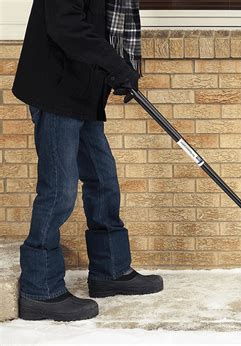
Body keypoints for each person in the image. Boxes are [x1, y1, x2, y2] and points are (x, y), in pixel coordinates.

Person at [12, 0, 163, 322]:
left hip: (84, 94)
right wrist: (116, 65)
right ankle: (40, 290)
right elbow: (66, 26)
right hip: (56, 93)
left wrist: (114, 72)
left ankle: (110, 271)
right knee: (59, 191)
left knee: (103, 180)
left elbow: (99, 27)